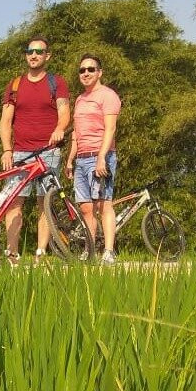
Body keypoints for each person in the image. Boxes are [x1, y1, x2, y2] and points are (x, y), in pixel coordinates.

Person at [0, 35, 70, 265]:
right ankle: (12, 254)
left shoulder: (56, 82)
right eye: (30, 51)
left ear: (47, 56)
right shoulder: (15, 84)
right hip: (19, 154)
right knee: (14, 203)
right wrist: (7, 150)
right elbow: (5, 120)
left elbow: (65, 112)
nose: (34, 55)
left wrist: (59, 129)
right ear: (26, 55)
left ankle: (40, 253)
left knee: (44, 204)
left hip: (48, 152)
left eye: (39, 51)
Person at [65, 54, 121, 264]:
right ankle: (90, 251)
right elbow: (76, 133)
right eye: (82, 70)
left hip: (100, 155)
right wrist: (70, 159)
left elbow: (110, 129)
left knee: (104, 204)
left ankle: (108, 251)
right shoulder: (80, 99)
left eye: (90, 69)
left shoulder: (108, 95)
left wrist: (101, 158)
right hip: (81, 159)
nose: (86, 73)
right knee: (86, 208)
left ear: (99, 72)